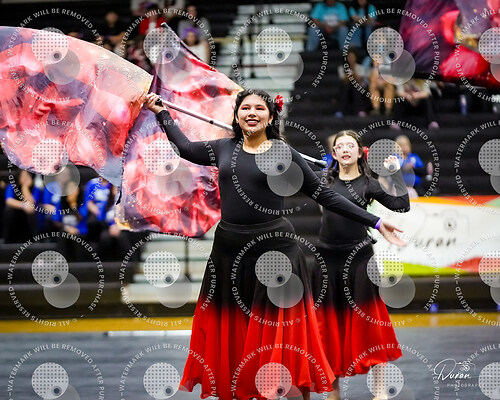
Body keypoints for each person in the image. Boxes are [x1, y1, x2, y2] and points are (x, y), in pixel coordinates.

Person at [145, 89, 405, 400]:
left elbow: (325, 195)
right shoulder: (223, 147)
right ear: (237, 115)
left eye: (259, 108)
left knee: (280, 335)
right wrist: (162, 113)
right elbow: (185, 148)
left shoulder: (284, 153)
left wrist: (375, 221)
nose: (251, 113)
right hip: (229, 253)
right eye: (245, 108)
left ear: (270, 117)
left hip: (275, 253)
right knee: (236, 330)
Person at [311, 131, 410, 400]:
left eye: (350, 146)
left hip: (360, 261)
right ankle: (333, 392)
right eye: (339, 146)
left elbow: (402, 205)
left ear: (359, 152)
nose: (345, 149)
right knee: (328, 327)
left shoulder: (369, 184)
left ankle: (380, 390)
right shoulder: (322, 180)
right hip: (327, 260)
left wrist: (396, 174)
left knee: (371, 324)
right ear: (333, 154)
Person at [3, 169, 41, 243]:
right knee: (8, 212)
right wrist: (23, 206)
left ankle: (34, 239)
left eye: (27, 176)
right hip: (15, 214)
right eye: (23, 176)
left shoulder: (35, 189)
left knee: (32, 213)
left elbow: (31, 204)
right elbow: (9, 201)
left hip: (28, 217)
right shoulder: (12, 187)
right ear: (18, 177)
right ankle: (7, 239)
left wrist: (25, 187)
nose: (25, 178)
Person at [336, 48, 369, 117]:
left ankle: (360, 110)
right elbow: (344, 80)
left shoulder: (361, 67)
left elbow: (359, 80)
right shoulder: (341, 68)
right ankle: (340, 111)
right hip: (346, 87)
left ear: (356, 57)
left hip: (358, 87)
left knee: (356, 87)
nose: (351, 59)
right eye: (349, 57)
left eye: (353, 57)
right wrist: (350, 74)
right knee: (346, 87)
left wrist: (353, 69)